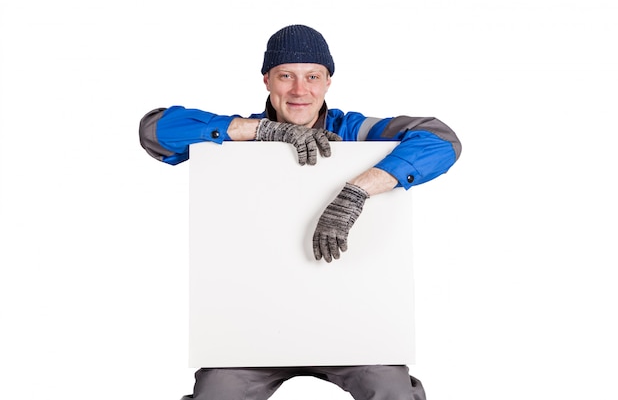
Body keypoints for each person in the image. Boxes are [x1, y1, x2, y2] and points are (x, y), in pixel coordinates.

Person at [139, 24, 461, 400]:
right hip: (250, 328)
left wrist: (356, 191)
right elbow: (154, 130)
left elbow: (441, 139)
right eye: (285, 76)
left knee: (390, 392)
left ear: (328, 82)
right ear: (266, 80)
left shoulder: (356, 131)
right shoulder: (233, 136)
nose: (299, 90)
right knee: (217, 394)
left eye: (312, 76)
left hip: (355, 324)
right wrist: (261, 133)